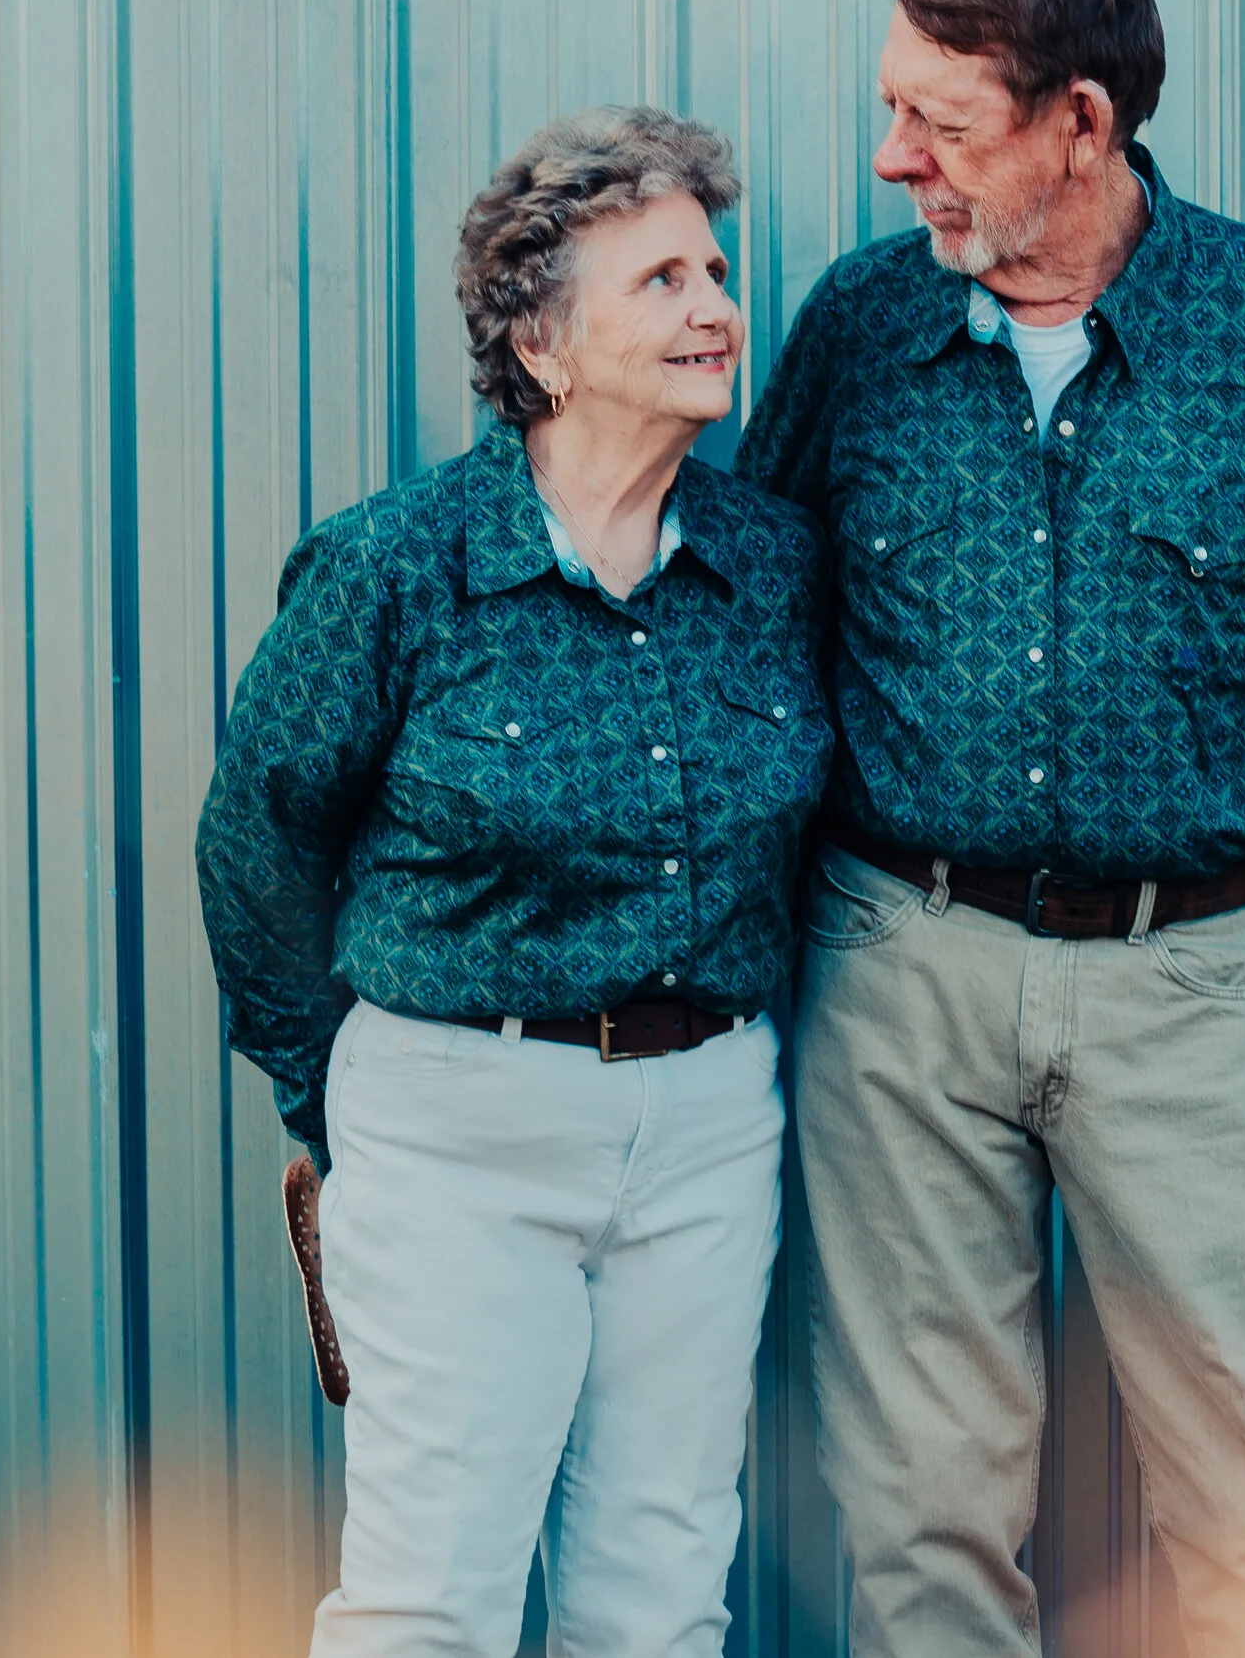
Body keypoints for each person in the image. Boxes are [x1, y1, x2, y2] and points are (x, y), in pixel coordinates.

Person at [736, 0, 1245, 1658]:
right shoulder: (858, 331)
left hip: (1192, 987)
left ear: (1082, 121)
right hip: (897, 979)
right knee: (923, 1513)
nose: (889, 157)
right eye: (889, 108)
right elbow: (754, 653)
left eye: (942, 120)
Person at [197, 107, 832, 1658]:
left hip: (705, 1128)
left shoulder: (771, 564)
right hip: (457, 1124)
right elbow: (258, 839)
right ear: (541, 345)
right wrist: (334, 1097)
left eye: (717, 269)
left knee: (660, 1585)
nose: (715, 308)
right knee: (434, 1596)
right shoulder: (397, 565)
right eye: (661, 281)